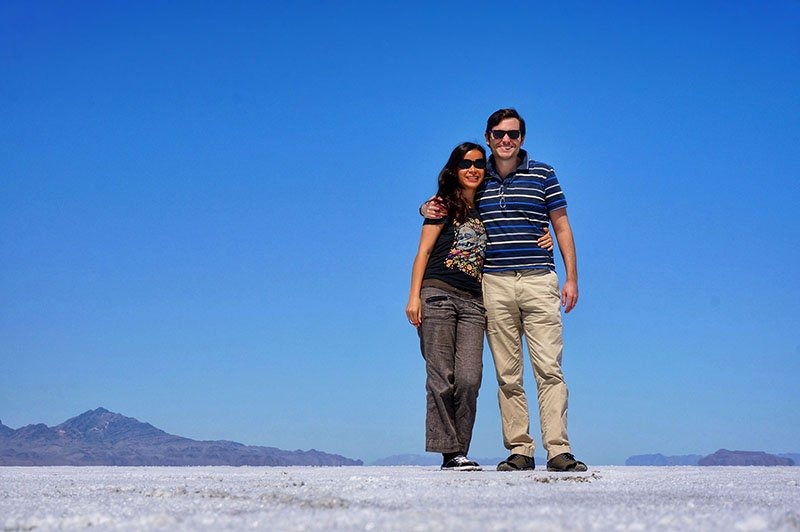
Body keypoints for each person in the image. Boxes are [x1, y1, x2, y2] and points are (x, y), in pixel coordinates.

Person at [422, 109, 586, 472]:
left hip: (539, 279)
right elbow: (446, 202)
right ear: (488, 136)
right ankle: (520, 450)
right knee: (507, 375)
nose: (505, 140)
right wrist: (423, 206)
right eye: (498, 134)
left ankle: (558, 450)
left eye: (512, 134)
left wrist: (572, 277)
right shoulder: (479, 180)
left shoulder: (543, 174)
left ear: (522, 138)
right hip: (493, 285)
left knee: (549, 369)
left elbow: (561, 226)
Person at [406, 142, 489, 471]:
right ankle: (450, 453)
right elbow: (423, 253)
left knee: (469, 378)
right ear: (454, 169)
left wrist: (545, 236)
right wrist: (414, 296)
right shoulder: (441, 206)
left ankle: (460, 449)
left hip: (473, 302)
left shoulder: (487, 207)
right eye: (466, 163)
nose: (473, 169)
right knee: (441, 376)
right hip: (437, 294)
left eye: (480, 164)